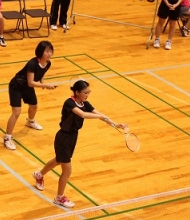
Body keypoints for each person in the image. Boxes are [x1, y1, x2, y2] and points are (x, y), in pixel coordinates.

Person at [33, 79, 125, 208]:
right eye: (85, 92)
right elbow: (82, 115)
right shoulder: (69, 103)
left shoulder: (84, 103)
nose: (87, 95)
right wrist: (99, 116)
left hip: (73, 137)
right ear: (77, 92)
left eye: (88, 92)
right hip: (63, 137)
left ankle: (39, 175)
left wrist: (115, 124)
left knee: (58, 160)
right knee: (67, 171)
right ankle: (59, 198)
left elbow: (100, 114)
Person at [3, 41, 57, 150]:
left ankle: (30, 122)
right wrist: (45, 85)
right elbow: (31, 82)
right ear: (40, 52)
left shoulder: (48, 63)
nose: (49, 54)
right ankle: (7, 138)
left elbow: (41, 73)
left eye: (50, 51)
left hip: (27, 87)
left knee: (34, 106)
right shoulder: (32, 63)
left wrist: (42, 81)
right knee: (16, 112)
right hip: (16, 86)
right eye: (47, 51)